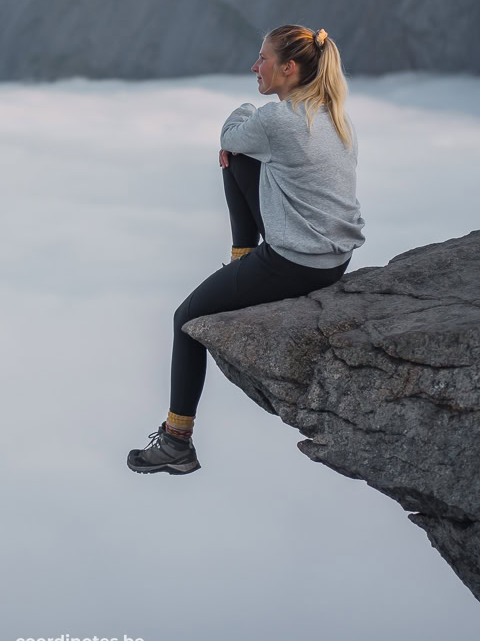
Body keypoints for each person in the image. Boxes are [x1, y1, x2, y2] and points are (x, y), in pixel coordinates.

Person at [127, 24, 365, 475]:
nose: (255, 67)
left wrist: (243, 114)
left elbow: (230, 133)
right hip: (335, 258)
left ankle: (177, 443)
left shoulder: (278, 121)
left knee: (185, 319)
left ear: (288, 68)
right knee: (238, 156)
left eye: (263, 59)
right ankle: (243, 264)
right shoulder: (332, 114)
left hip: (296, 263)